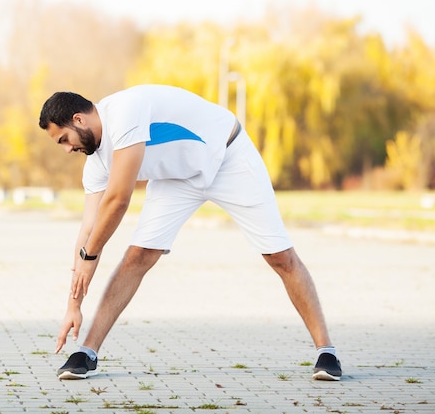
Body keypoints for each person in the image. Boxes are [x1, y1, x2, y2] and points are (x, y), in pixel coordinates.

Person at [38, 84, 342, 381]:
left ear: (79, 119)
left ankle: (326, 351)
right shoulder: (95, 164)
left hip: (229, 157)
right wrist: (73, 305)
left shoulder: (123, 113)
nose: (67, 150)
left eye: (64, 139)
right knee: (137, 256)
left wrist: (90, 253)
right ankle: (87, 352)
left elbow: (118, 202)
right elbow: (89, 229)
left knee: (280, 257)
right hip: (176, 178)